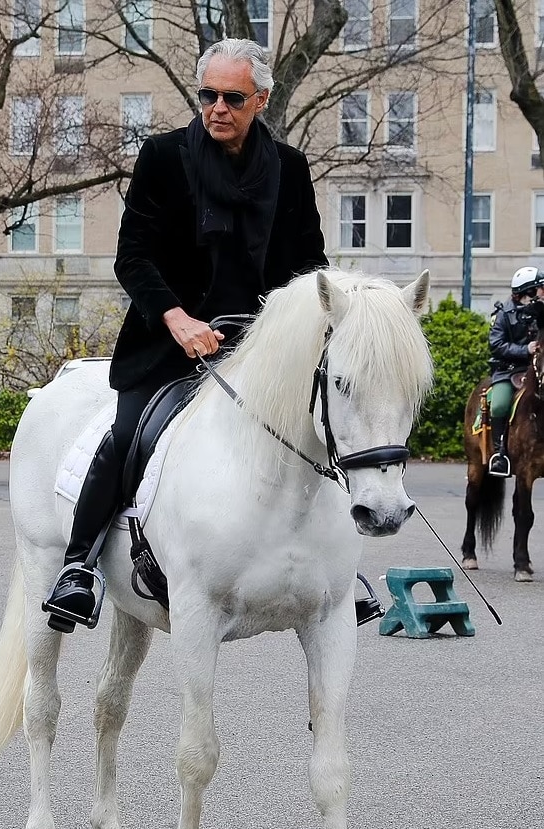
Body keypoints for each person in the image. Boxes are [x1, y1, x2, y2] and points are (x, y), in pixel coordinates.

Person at [45, 37, 378, 631]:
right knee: (126, 434)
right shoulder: (163, 158)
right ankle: (80, 565)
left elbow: (309, 264)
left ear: (261, 100)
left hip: (264, 350)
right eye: (207, 95)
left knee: (319, 433)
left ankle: (336, 571)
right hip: (170, 342)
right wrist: (176, 318)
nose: (216, 107)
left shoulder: (292, 171)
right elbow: (134, 258)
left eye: (232, 97)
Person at [487, 266, 544, 477]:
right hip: (509, 370)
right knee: (500, 404)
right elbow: (497, 345)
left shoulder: (541, 312)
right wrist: (525, 349)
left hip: (536, 368)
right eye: (539, 289)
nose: (542, 292)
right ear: (526, 293)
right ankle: (500, 454)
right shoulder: (503, 314)